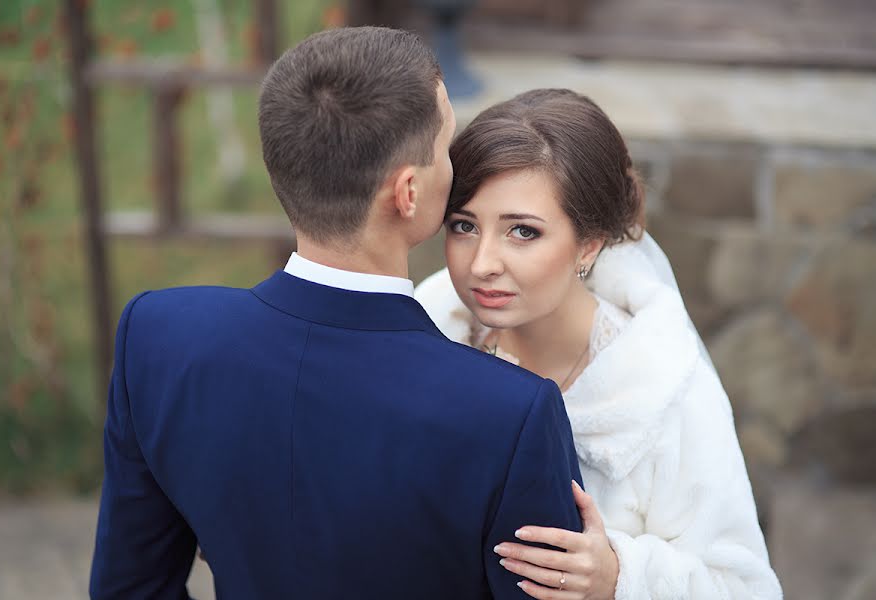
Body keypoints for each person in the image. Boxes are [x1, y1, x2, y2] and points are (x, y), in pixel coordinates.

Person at [89, 28, 583, 600]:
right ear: (407, 193)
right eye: (446, 147)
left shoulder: (158, 336)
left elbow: (129, 588)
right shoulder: (512, 414)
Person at [415, 89, 783, 599]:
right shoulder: (426, 335)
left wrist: (620, 576)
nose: (482, 264)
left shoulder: (662, 388)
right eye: (464, 226)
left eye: (523, 231)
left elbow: (746, 588)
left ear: (589, 243)